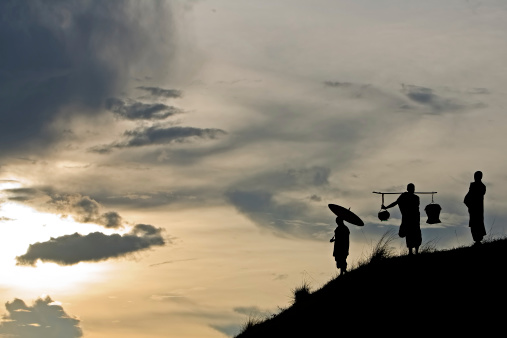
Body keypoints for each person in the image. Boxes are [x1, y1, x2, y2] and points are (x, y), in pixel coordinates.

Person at [382, 183, 422, 255]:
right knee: (411, 234)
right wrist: (386, 207)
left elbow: (396, 203)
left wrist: (386, 207)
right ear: (409, 189)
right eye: (412, 188)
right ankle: (412, 252)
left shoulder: (408, 197)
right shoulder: (409, 197)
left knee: (414, 235)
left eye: (413, 188)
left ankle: (415, 252)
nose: (413, 190)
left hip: (413, 219)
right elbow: (396, 203)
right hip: (411, 219)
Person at [464, 171, 486, 245]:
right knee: (474, 224)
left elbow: (468, 198)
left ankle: (478, 239)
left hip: (477, 209)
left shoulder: (480, 186)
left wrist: (470, 205)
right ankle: (477, 239)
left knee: (477, 224)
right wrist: (470, 206)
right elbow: (466, 199)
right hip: (474, 209)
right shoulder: (476, 186)